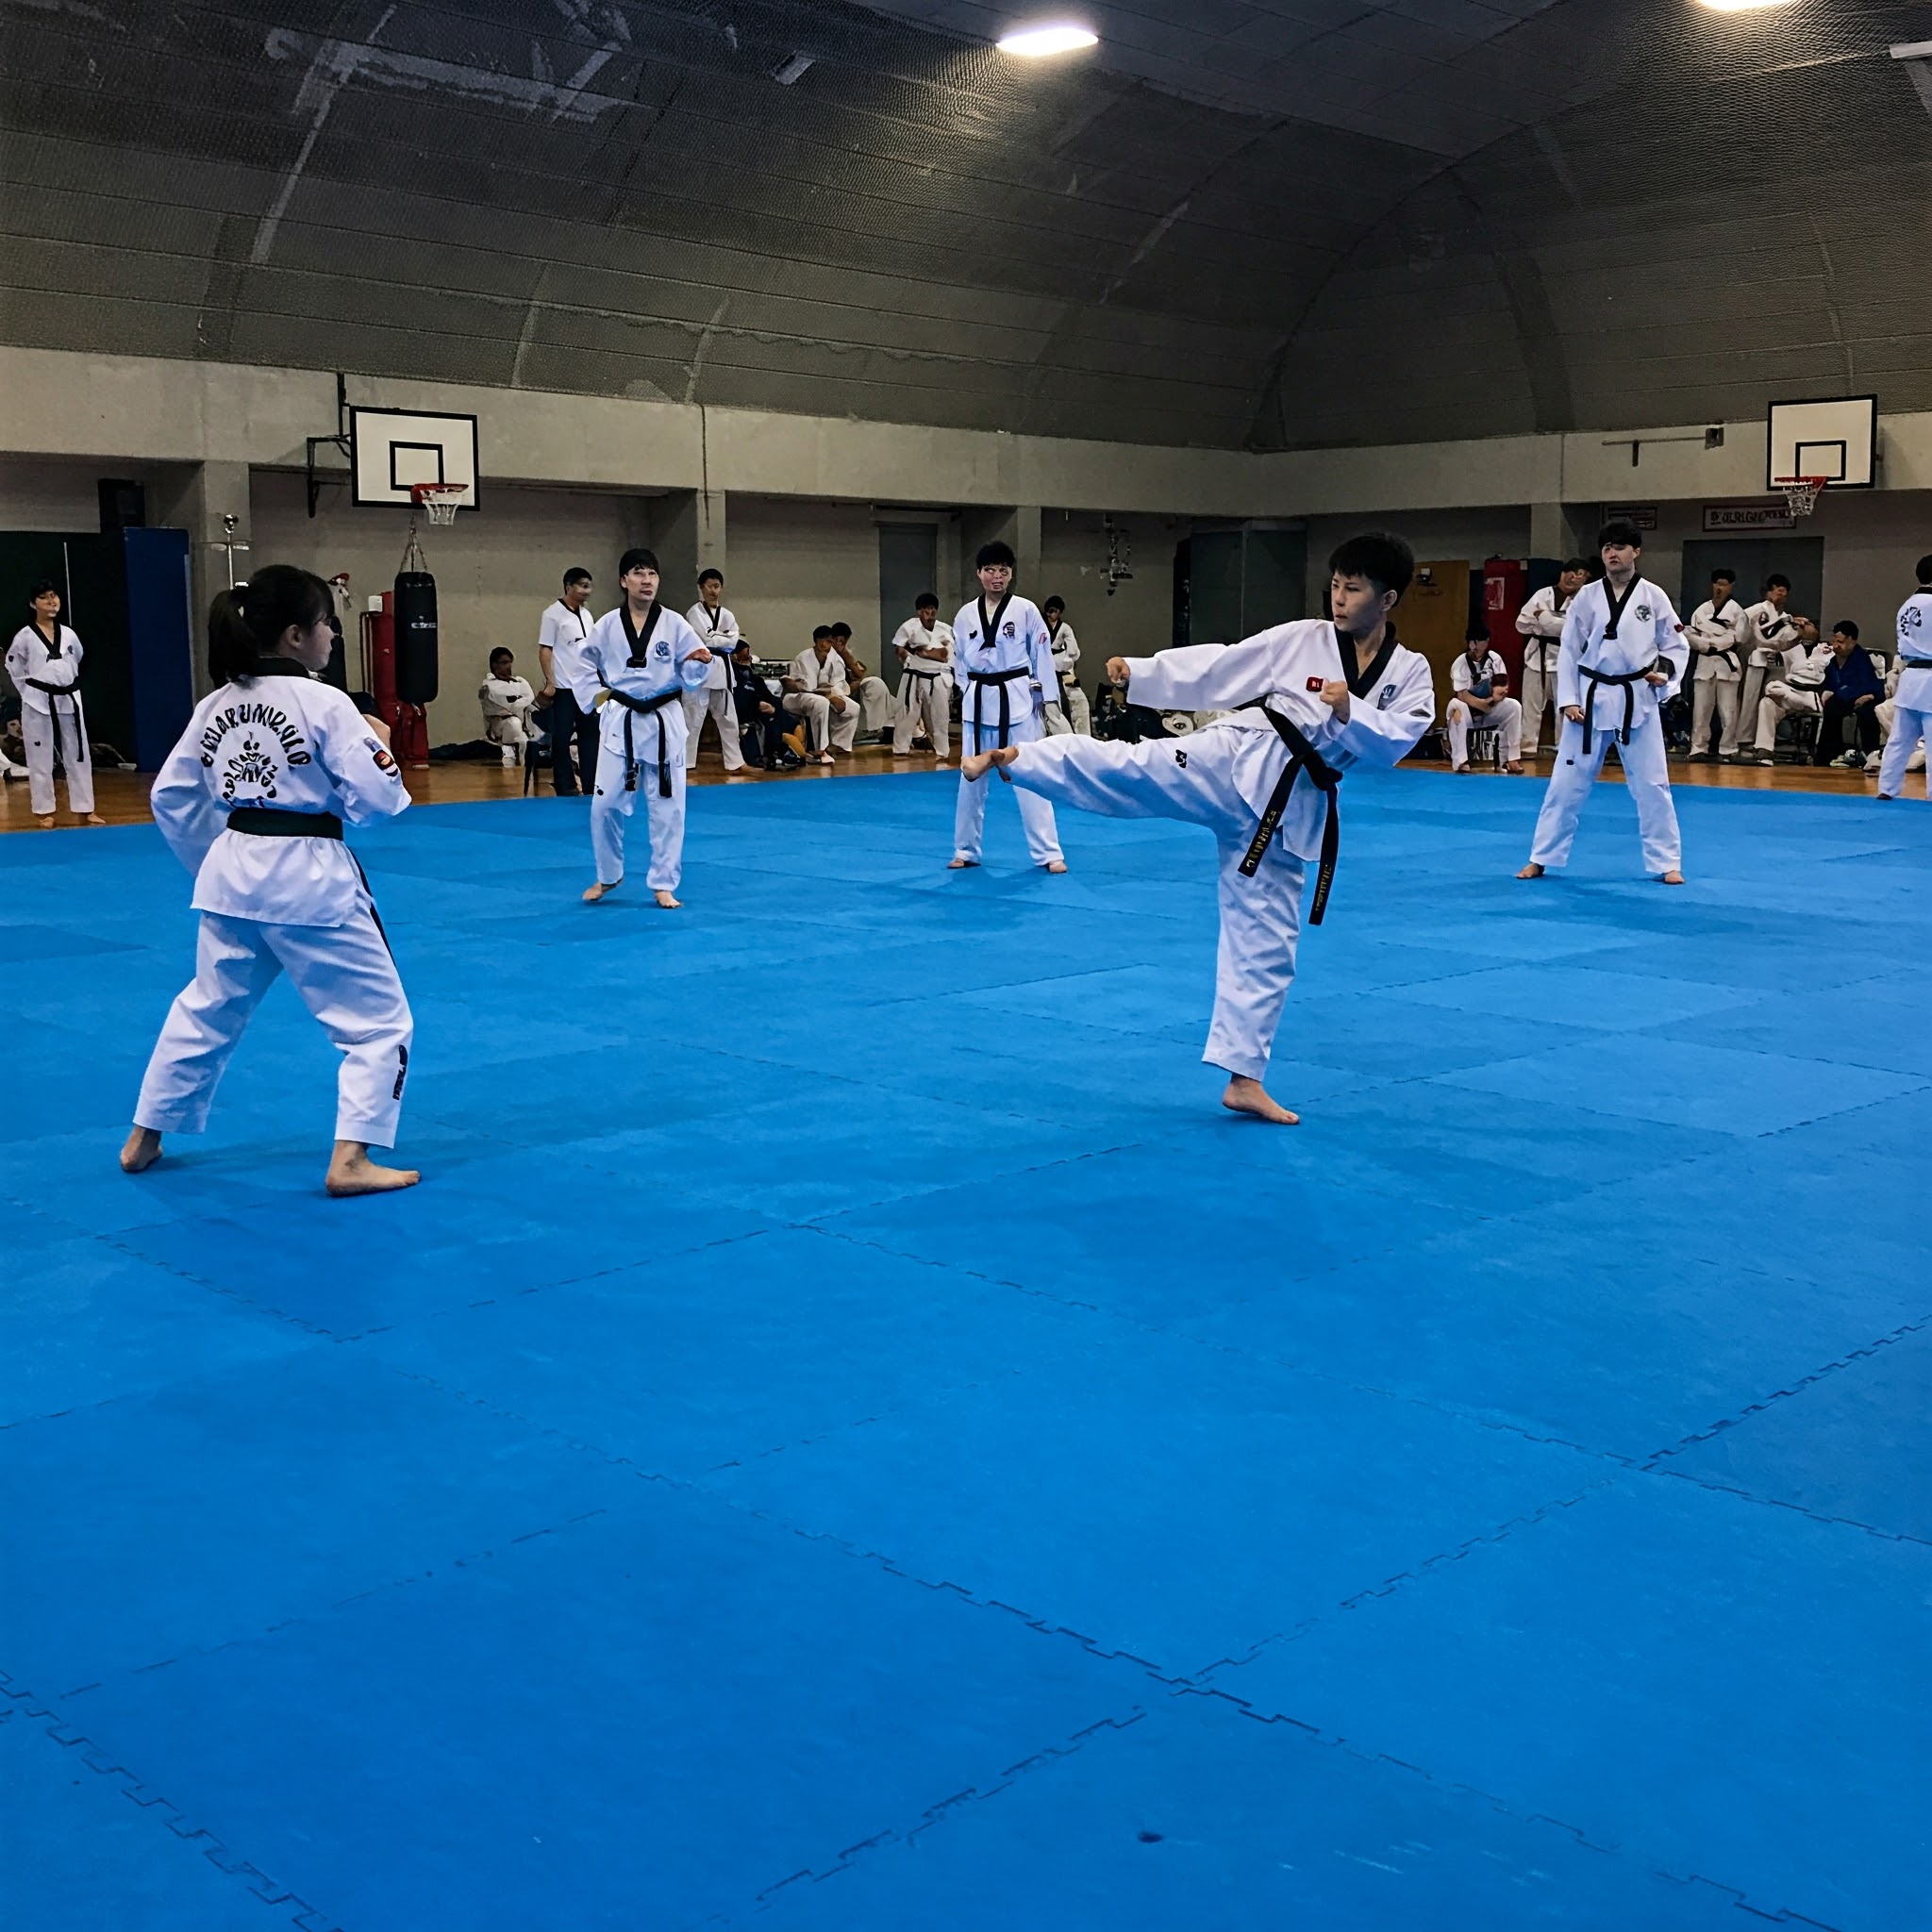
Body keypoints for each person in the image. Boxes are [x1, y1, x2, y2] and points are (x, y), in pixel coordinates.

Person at [963, 531, 1433, 1124]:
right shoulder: (1304, 639)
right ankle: (1021, 759)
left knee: (1268, 944)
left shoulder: (1411, 673)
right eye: (1335, 586)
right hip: (1237, 758)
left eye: (1353, 589)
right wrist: (1142, 673)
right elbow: (1227, 665)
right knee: (1134, 769)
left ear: (1387, 599)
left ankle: (1244, 1079)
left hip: (1290, 811)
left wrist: (1351, 709)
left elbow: (1397, 741)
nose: (1339, 599)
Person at [119, 564, 416, 1197]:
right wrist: (380, 744)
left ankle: (145, 1134)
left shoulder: (216, 704)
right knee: (378, 1025)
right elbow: (382, 802)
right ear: (294, 636)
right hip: (309, 881)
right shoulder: (325, 702)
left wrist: (215, 862)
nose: (333, 635)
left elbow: (171, 798)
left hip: (233, 873)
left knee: (208, 1007)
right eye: (325, 624)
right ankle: (352, 1159)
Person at [1518, 520, 1689, 886]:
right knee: (1565, 784)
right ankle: (1541, 857)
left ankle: (1667, 862)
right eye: (1608, 547)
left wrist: (1665, 675)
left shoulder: (1653, 596)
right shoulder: (1587, 596)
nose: (1613, 553)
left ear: (1636, 552)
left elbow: (1676, 646)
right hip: (1590, 698)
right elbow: (1568, 651)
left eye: (1621, 547)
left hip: (1636, 699)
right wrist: (1568, 699)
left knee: (1653, 785)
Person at [574, 548, 711, 905]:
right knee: (603, 807)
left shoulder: (675, 623)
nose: (646, 580)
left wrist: (698, 665)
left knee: (669, 807)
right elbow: (582, 667)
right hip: (622, 721)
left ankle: (663, 883)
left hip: (664, 720)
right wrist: (598, 703)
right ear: (624, 581)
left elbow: (694, 670)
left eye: (652, 574)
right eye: (638, 573)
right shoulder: (605, 625)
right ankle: (608, 876)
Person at [951, 540, 1067, 874]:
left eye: (1003, 571)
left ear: (1011, 574)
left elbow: (1041, 655)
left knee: (1031, 775)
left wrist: (1046, 700)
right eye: (990, 570)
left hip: (1016, 699)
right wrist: (966, 689)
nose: (997, 577)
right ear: (979, 574)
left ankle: (1049, 853)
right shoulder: (964, 615)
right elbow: (958, 659)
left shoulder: (1027, 610)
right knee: (970, 778)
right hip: (978, 700)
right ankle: (965, 850)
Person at [8, 579, 102, 825]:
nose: (52, 601)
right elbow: (14, 667)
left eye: (54, 596)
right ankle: (44, 811)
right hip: (38, 700)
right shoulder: (25, 636)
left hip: (69, 697)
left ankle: (86, 807)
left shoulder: (69, 634)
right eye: (44, 597)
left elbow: (77, 658)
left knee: (78, 753)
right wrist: (29, 692)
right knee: (40, 755)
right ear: (32, 603)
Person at [1514, 558, 1589, 756]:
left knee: (1564, 706)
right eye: (1570, 573)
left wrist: (1544, 618)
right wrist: (1553, 623)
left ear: (1585, 580)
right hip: (1536, 656)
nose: (1573, 578)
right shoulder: (1543, 593)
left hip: (1566, 658)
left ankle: (1565, 748)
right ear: (1562, 573)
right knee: (1530, 705)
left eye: (1580, 575)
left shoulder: (1584, 600)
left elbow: (1576, 630)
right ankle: (1527, 747)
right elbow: (1522, 623)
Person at [539, 567, 600, 796]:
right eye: (583, 586)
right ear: (568, 586)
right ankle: (565, 785)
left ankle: (592, 783)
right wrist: (550, 682)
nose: (587, 591)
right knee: (562, 738)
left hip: (587, 687)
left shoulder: (587, 615)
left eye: (589, 586)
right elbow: (545, 649)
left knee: (590, 737)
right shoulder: (552, 614)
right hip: (564, 687)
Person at [1878, 558, 1932, 801]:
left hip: (1911, 678)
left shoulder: (1907, 605)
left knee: (1899, 739)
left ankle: (1886, 789)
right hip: (1929, 678)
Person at [682, 568, 746, 774]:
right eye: (709, 586)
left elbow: (732, 643)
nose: (713, 590)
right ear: (701, 588)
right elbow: (706, 640)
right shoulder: (694, 613)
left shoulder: (727, 614)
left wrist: (720, 638)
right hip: (698, 669)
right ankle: (685, 762)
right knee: (692, 718)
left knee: (728, 718)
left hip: (722, 669)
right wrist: (722, 637)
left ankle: (735, 761)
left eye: (717, 586)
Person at [1682, 567, 1750, 762]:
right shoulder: (1701, 610)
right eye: (1717, 584)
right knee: (1701, 710)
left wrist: (1719, 640)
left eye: (1724, 585)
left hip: (1726, 663)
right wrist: (1703, 644)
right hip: (1704, 663)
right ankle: (1698, 748)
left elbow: (1741, 638)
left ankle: (1728, 749)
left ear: (1731, 586)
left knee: (1728, 710)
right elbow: (1691, 635)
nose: (1720, 588)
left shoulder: (1737, 611)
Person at [1740, 619, 1828, 765]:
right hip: (1792, 692)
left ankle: (1789, 695)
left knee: (1780, 691)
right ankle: (1764, 751)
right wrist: (1786, 622)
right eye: (1800, 626)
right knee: (1768, 700)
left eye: (1808, 625)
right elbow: (1770, 641)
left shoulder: (1826, 649)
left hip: (1813, 695)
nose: (1804, 627)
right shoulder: (1790, 647)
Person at [1445, 626, 1524, 773]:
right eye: (1471, 643)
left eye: (1478, 642)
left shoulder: (1495, 659)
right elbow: (1462, 695)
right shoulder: (1460, 663)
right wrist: (1482, 705)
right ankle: (1461, 761)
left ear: (1486, 642)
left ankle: (1511, 759)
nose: (1474, 647)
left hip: (1490, 707)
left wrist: (1495, 699)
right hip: (1468, 709)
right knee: (1455, 706)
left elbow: (1502, 687)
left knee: (1514, 707)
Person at [891, 592, 954, 759]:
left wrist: (925, 652)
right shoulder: (909, 627)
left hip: (938, 676)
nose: (930, 613)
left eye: (933, 609)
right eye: (926, 609)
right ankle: (900, 749)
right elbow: (899, 648)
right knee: (906, 713)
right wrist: (908, 655)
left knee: (939, 716)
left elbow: (945, 654)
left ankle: (941, 751)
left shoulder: (945, 629)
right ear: (919, 611)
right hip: (913, 673)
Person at [1812, 622, 1885, 768]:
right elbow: (1828, 684)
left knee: (1867, 711)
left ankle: (1871, 755)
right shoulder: (1832, 662)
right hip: (1842, 699)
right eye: (1834, 641)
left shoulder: (1862, 659)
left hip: (1863, 698)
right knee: (1831, 708)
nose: (1836, 645)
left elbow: (1870, 685)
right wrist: (1826, 692)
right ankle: (1826, 757)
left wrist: (1869, 696)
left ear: (1852, 641)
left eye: (1840, 642)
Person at [1740, 574, 1807, 725]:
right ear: (1769, 592)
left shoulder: (1786, 617)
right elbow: (1760, 635)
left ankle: (1760, 738)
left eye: (1784, 592)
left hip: (1776, 663)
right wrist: (1785, 622)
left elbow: (1787, 642)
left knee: (1768, 699)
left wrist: (1800, 634)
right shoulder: (1755, 611)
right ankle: (1744, 738)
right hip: (1754, 658)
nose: (1782, 595)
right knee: (1749, 700)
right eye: (1779, 591)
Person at [784, 626, 858, 764]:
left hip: (824, 696)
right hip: (798, 698)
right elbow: (804, 686)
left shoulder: (835, 658)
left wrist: (834, 694)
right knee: (820, 702)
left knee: (853, 708)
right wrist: (828, 696)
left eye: (828, 641)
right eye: (821, 641)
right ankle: (819, 751)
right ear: (815, 641)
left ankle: (838, 745)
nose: (824, 645)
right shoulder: (804, 657)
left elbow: (839, 682)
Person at [730, 642, 801, 770]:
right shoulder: (732, 676)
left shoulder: (755, 679)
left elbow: (770, 697)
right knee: (769, 719)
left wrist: (773, 707)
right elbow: (739, 700)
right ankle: (777, 750)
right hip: (746, 712)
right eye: (745, 658)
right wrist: (757, 705)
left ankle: (792, 749)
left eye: (749, 657)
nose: (749, 660)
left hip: (763, 709)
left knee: (785, 715)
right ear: (734, 657)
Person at [827, 623, 894, 739]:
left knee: (877, 685)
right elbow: (836, 688)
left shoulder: (843, 655)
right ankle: (870, 729)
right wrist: (855, 683)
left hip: (853, 690)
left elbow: (860, 674)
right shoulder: (826, 658)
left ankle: (885, 727)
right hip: (838, 693)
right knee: (875, 685)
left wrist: (845, 655)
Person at [1041, 596, 1091, 735]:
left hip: (1062, 668)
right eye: (1048, 611)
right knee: (1050, 707)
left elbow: (1074, 651)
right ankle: (1061, 738)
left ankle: (1084, 737)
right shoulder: (1039, 626)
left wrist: (1066, 661)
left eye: (1053, 611)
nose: (1050, 614)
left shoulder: (1065, 628)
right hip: (1043, 668)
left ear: (1060, 612)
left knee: (1079, 701)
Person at [478, 647, 537, 767]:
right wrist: (519, 702)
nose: (509, 666)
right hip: (500, 726)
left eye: (510, 662)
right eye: (504, 663)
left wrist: (517, 703)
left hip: (525, 725)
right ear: (495, 665)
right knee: (513, 722)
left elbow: (530, 700)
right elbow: (506, 704)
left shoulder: (520, 682)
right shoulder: (488, 686)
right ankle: (508, 750)